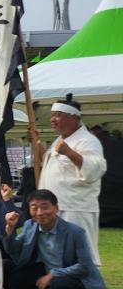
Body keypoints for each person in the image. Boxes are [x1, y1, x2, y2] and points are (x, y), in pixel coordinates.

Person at [3, 189, 107, 289]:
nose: (40, 212)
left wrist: (53, 274)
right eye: (34, 208)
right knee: (19, 276)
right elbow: (13, 249)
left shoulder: (75, 232)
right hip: (47, 274)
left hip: (75, 280)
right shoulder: (30, 226)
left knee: (59, 283)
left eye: (45, 207)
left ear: (56, 208)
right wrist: (10, 228)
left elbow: (84, 266)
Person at [32, 94, 107, 265]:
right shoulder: (60, 140)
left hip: (76, 208)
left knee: (81, 253)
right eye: (52, 115)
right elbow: (53, 165)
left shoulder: (88, 141)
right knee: (57, 253)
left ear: (73, 118)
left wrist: (70, 152)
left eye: (57, 115)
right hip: (54, 207)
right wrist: (38, 145)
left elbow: (95, 169)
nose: (52, 119)